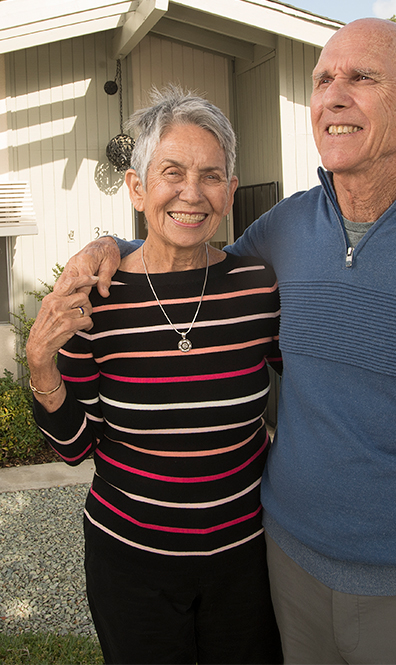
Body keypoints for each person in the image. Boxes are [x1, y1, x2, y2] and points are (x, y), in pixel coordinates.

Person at [60, 19, 396, 665]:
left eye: (362, 77)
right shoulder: (285, 229)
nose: (334, 95)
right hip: (291, 573)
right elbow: (188, 258)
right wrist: (114, 245)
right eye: (323, 79)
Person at [26, 87, 283, 665]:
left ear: (230, 193)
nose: (191, 193)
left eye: (211, 176)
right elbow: (74, 447)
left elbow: (311, 387)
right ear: (137, 188)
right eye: (171, 172)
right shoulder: (97, 301)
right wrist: (41, 364)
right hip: (130, 561)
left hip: (245, 557)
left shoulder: (259, 287)